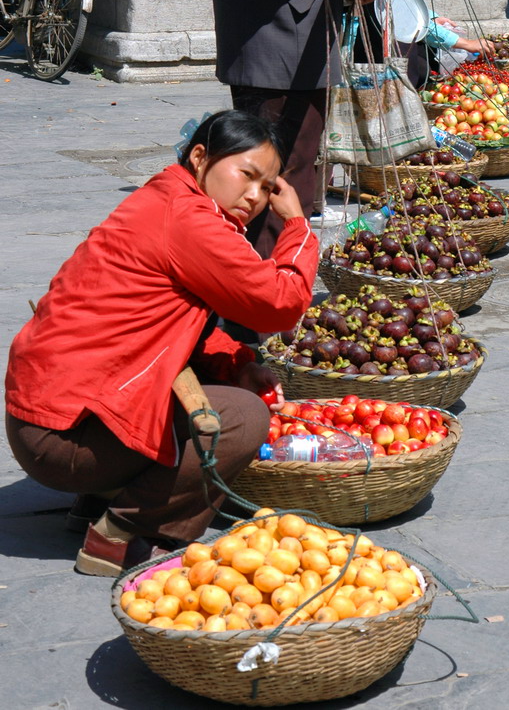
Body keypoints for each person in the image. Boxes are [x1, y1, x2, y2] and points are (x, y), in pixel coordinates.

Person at [5, 110, 319, 577]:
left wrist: (235, 362)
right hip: (65, 437)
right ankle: (124, 536)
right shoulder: (190, 219)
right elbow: (279, 304)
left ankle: (97, 498)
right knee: (239, 419)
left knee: (213, 391)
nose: (255, 197)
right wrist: (296, 225)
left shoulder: (165, 197)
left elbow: (168, 327)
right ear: (200, 157)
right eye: (247, 176)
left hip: (47, 424)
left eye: (268, 187)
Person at [206, 0, 394, 261]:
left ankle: (265, 302)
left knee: (289, 178)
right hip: (276, 41)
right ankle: (256, 311)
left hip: (295, 36)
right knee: (275, 185)